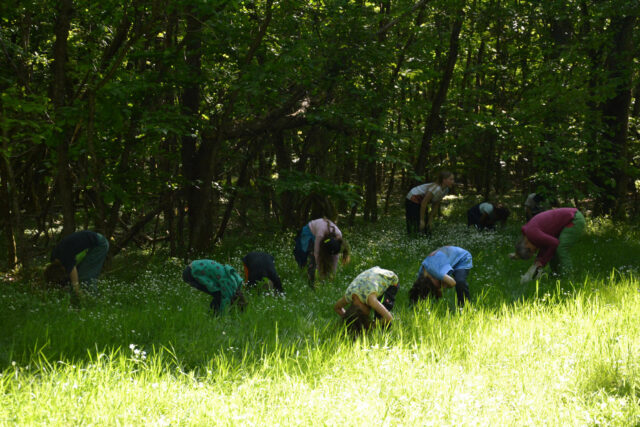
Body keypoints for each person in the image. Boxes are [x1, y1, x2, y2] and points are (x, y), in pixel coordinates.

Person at [510, 207, 585, 283]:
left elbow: (554, 243)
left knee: (561, 248)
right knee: (552, 251)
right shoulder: (529, 234)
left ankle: (568, 278)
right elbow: (546, 245)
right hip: (572, 216)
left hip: (574, 219)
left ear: (526, 245)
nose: (536, 250)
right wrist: (539, 259)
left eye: (533, 251)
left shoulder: (532, 234)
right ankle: (556, 275)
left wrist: (542, 262)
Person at [44, 230, 109, 297]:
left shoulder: (65, 257)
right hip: (95, 239)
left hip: (99, 244)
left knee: (86, 276)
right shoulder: (55, 257)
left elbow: (75, 281)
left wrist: (77, 290)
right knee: (79, 273)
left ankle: (90, 298)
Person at [333, 266, 398, 333]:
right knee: (378, 310)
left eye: (366, 316)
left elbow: (389, 318)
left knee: (380, 315)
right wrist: (349, 319)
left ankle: (384, 333)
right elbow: (337, 308)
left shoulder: (371, 300)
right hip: (373, 274)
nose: (369, 313)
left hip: (390, 280)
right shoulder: (348, 295)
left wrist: (371, 326)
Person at [293, 218, 350, 287]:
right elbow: (316, 254)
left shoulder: (338, 236)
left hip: (323, 235)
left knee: (324, 259)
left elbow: (335, 257)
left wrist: (333, 274)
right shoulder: (320, 235)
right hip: (309, 232)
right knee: (308, 257)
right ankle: (310, 281)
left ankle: (322, 279)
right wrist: (320, 271)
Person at [182, 259, 246, 314]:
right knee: (219, 295)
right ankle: (214, 316)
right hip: (191, 273)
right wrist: (224, 316)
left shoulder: (232, 280)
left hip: (192, 269)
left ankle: (213, 314)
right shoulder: (229, 285)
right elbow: (225, 300)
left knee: (218, 294)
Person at [405, 171, 455, 235]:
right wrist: (422, 220)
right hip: (413, 198)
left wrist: (430, 220)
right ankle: (413, 234)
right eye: (451, 179)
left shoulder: (446, 190)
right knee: (415, 221)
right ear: (444, 180)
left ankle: (424, 232)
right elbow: (424, 203)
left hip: (422, 200)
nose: (453, 182)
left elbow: (436, 203)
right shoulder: (436, 188)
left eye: (453, 179)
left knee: (426, 226)